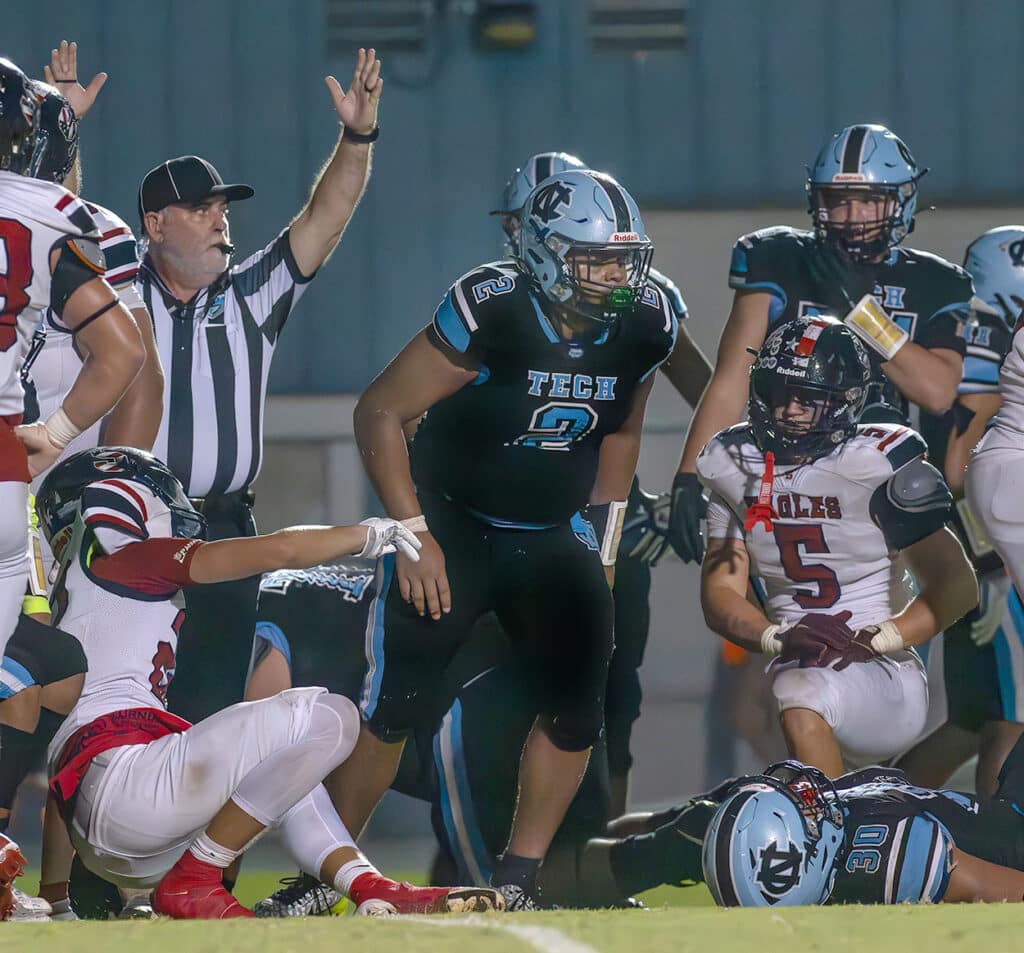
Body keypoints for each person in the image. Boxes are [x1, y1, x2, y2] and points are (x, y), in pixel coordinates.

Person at [332, 167, 676, 910]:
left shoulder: (648, 319)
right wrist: (414, 533)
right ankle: (325, 872)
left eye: (623, 257)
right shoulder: (493, 309)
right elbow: (379, 411)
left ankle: (520, 876)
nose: (617, 275)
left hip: (553, 529)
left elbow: (622, 434)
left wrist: (604, 543)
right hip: (456, 523)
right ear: (548, 254)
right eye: (596, 260)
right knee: (394, 699)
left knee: (580, 708)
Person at [31, 445, 501, 919]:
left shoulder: (70, 596)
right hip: (134, 797)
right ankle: (194, 879)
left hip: (111, 823)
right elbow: (280, 550)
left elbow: (61, 772)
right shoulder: (129, 559)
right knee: (330, 716)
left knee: (282, 763)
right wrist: (371, 533)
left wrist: (56, 897)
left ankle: (367, 885)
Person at [134, 48, 384, 724]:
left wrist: (357, 137)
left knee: (206, 711)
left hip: (222, 524)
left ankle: (188, 833)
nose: (221, 219)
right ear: (154, 226)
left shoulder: (250, 293)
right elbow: (59, 234)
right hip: (132, 522)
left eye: (222, 207)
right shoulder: (114, 294)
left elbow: (324, 218)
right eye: (199, 208)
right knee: (114, 703)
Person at [493, 151, 711, 814]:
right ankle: (479, 844)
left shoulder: (639, 301)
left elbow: (711, 391)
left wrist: (689, 479)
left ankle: (601, 846)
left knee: (613, 695)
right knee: (505, 693)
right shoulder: (492, 304)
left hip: (603, 515)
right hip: (512, 526)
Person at [668, 123, 973, 564]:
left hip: (875, 484)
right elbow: (733, 378)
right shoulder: (778, 257)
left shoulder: (936, 282)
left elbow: (937, 392)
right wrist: (689, 475)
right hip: (776, 471)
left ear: (901, 201)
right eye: (838, 200)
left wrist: (859, 309)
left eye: (869, 201)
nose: (852, 216)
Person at [698, 314, 977, 775]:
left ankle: (836, 837)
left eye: (806, 398)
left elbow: (958, 585)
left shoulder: (876, 463)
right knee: (786, 705)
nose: (788, 410)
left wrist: (881, 637)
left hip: (883, 671)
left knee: (801, 690)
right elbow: (720, 592)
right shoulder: (733, 462)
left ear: (843, 401)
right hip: (791, 662)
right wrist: (776, 635)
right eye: (778, 392)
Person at [0, 58, 145, 741]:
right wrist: (54, 433)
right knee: (40, 663)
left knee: (38, 663)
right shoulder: (53, 215)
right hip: (8, 465)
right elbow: (123, 350)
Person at [898, 227, 1024, 796]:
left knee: (971, 723)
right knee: (1013, 721)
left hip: (956, 549)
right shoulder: (991, 338)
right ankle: (1007, 847)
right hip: (986, 556)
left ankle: (869, 817)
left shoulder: (956, 328)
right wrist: (993, 562)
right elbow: (960, 463)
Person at [699, 754, 1024, 906]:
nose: (805, 794)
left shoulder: (838, 831)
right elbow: (1009, 888)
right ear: (792, 863)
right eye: (799, 810)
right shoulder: (880, 854)